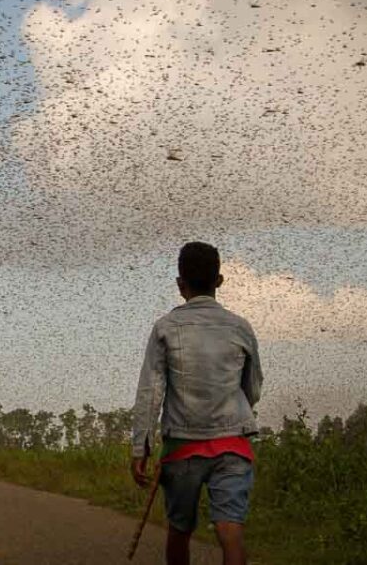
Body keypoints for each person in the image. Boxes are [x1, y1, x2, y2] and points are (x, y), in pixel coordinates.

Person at [130, 242, 263, 565]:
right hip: (233, 444)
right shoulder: (240, 327)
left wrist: (141, 447)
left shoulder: (165, 327)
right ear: (219, 280)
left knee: (179, 529)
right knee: (230, 529)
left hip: (182, 448)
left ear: (180, 284)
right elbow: (253, 387)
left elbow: (151, 391)